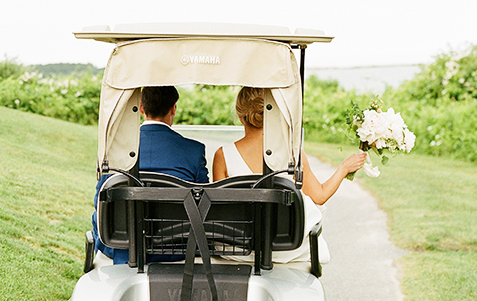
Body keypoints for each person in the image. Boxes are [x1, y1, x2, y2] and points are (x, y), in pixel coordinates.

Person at [211, 86, 366, 267]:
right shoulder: (292, 152)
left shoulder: (222, 155)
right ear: (274, 114)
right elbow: (320, 196)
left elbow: (220, 210)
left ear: (240, 116)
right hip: (288, 249)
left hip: (238, 250)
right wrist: (344, 168)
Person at [92, 86, 209, 266]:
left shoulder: (117, 148)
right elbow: (204, 202)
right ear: (173, 108)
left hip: (124, 248)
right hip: (177, 249)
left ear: (141, 108)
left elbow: (100, 200)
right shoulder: (194, 150)